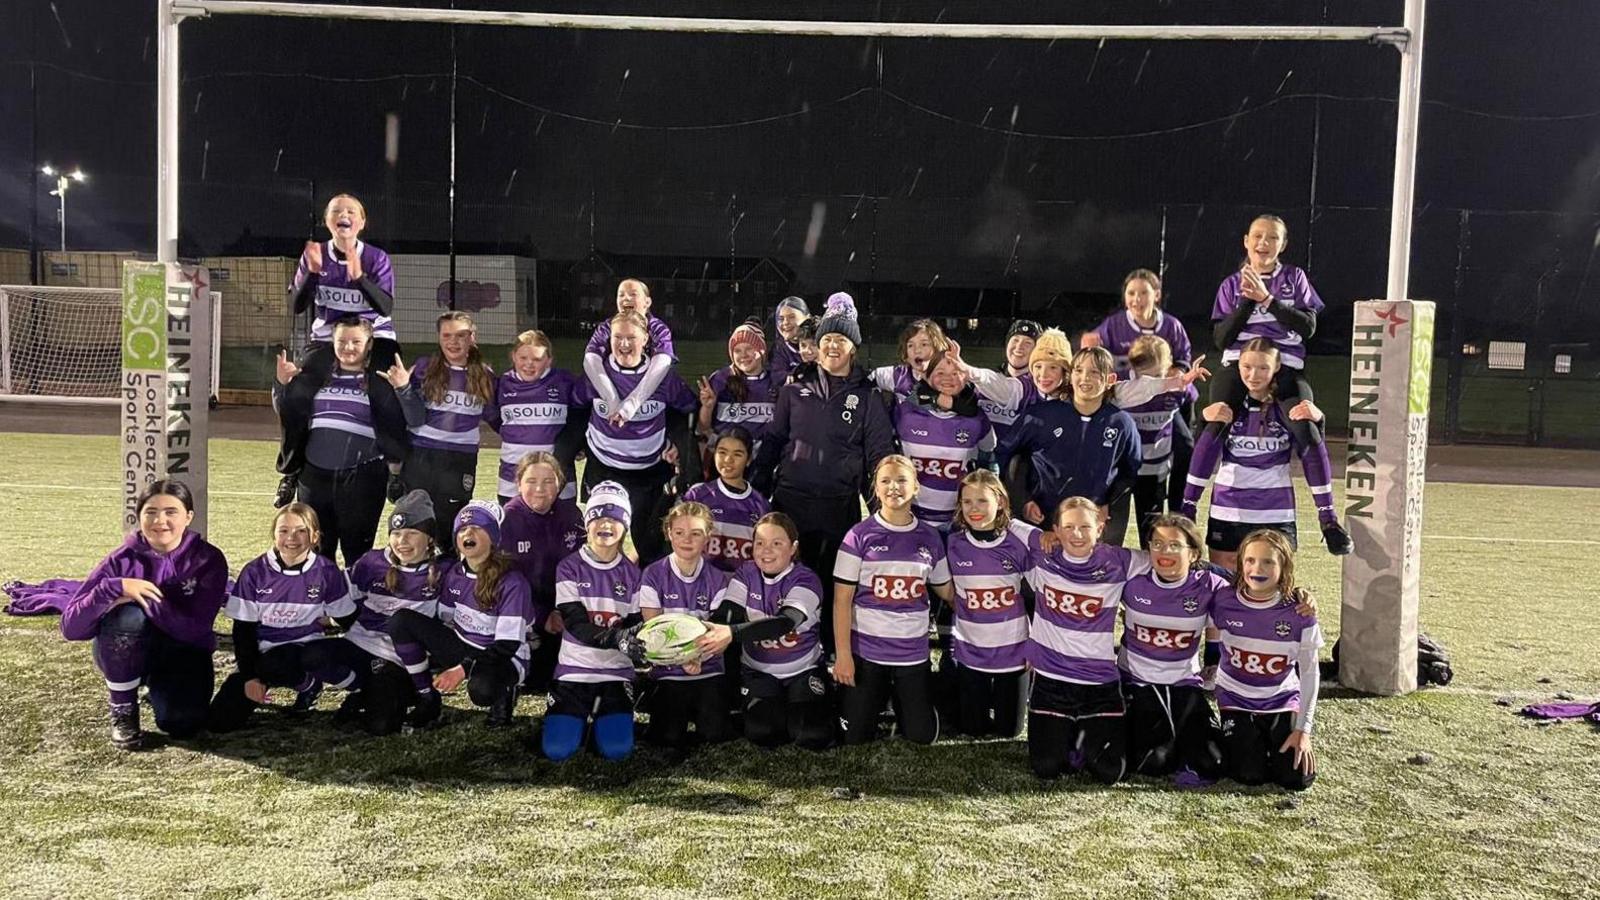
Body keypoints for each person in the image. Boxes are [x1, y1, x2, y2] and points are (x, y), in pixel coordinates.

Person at [752, 292, 896, 649]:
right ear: (816, 345)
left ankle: (831, 654)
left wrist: (881, 513)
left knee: (836, 584)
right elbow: (773, 442)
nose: (832, 346)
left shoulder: (867, 396)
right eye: (827, 339)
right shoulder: (794, 389)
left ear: (853, 347)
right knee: (787, 578)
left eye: (841, 339)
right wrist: (756, 492)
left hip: (838, 506)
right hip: (791, 502)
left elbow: (878, 457)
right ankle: (781, 650)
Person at [61, 480, 229, 750]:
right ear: (138, 516)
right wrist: (115, 588)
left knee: (183, 723)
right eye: (151, 512)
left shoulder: (208, 560)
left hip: (183, 650)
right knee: (127, 616)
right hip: (128, 649)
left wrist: (148, 599)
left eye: (171, 512)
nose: (160, 520)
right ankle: (123, 707)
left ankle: (158, 689)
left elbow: (195, 629)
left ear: (189, 517)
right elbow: (71, 628)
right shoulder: (121, 560)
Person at [1210, 214, 1340, 534]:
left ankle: (1329, 520)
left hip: (1284, 369)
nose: (1263, 243)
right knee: (1215, 419)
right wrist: (1247, 300)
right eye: (1257, 236)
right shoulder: (1231, 284)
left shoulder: (1294, 278)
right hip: (1239, 369)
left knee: (1304, 422)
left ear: (1282, 244)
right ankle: (1187, 508)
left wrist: (1267, 300)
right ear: (1246, 241)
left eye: (1272, 238)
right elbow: (1222, 339)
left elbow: (1308, 327)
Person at [275, 195, 401, 506]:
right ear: (328, 221)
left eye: (350, 211)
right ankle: (292, 469)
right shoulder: (316, 254)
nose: (343, 215)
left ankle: (395, 468)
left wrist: (359, 278)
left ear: (361, 221)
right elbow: (296, 305)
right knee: (298, 394)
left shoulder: (376, 258)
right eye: (336, 211)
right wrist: (312, 274)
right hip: (328, 339)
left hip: (374, 336)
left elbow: (385, 306)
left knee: (385, 394)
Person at [1180, 338, 1350, 568]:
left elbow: (1310, 450)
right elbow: (1204, 454)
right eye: (1247, 367)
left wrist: (1319, 420)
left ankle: (1329, 521)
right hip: (1229, 509)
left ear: (1277, 368)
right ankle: (1187, 507)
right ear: (1237, 365)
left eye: (1263, 368)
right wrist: (1203, 420)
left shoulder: (1286, 408)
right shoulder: (1228, 407)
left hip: (1276, 512)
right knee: (1225, 589)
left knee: (1273, 590)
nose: (1253, 375)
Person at [276, 316, 423, 566]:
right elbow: (285, 411)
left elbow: (416, 418)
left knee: (357, 552)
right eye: (341, 341)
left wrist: (404, 389)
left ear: (369, 344)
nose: (348, 347)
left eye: (356, 341)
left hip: (362, 479)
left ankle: (355, 603)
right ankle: (319, 600)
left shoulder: (383, 379)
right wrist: (281, 385)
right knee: (317, 550)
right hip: (315, 477)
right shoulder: (316, 376)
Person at [1024, 497, 1150, 783]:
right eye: (1068, 527)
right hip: (1051, 680)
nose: (1076, 534)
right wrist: (1042, 535)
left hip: (1098, 683)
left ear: (1100, 528)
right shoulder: (1043, 555)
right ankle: (1069, 734)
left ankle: (1087, 732)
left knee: (1109, 772)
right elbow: (1008, 524)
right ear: (1056, 529)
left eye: (1085, 526)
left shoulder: (1118, 561)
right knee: (1047, 767)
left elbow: (1162, 559)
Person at [832, 455, 954, 745]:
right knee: (854, 736)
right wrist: (844, 656)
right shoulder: (858, 536)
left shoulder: (930, 537)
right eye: (885, 481)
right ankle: (874, 697)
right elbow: (841, 601)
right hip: (867, 653)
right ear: (875, 488)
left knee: (922, 736)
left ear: (916, 487)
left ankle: (904, 701)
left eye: (902, 480)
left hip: (912, 654)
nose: (893, 487)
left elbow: (947, 591)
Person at [208, 504, 356, 732]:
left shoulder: (326, 572)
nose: (291, 538)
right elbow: (243, 631)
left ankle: (311, 681)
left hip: (305, 649)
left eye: (301, 531)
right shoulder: (255, 572)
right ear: (274, 534)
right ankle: (303, 683)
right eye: (284, 531)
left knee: (279, 660)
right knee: (220, 722)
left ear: (315, 535)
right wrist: (249, 677)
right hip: (260, 654)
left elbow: (348, 619)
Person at [387, 501, 533, 729]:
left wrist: (462, 668)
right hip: (465, 645)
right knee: (401, 621)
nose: (468, 533)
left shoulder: (512, 581)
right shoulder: (454, 573)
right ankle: (426, 695)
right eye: (462, 529)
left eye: (478, 527)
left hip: (503, 654)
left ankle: (504, 693)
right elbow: (446, 619)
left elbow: (507, 644)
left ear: (494, 537)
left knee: (481, 690)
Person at [695, 513, 833, 750]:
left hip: (802, 669)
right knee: (762, 731)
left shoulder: (806, 579)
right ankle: (775, 704)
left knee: (811, 735)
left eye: (776, 543)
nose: (766, 550)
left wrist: (731, 633)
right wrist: (698, 649)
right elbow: (728, 614)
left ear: (793, 548)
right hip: (758, 671)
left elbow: (784, 624)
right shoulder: (746, 573)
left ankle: (813, 700)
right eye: (760, 543)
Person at [573, 309, 699, 564]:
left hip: (648, 472)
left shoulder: (664, 380)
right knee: (603, 543)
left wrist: (676, 442)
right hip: (604, 471)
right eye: (618, 337)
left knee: (649, 547)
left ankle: (646, 599)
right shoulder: (594, 377)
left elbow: (687, 410)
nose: (624, 344)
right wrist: (579, 444)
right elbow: (575, 407)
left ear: (645, 340)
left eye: (632, 337)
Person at [314, 490, 443, 735]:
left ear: (429, 538)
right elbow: (341, 592)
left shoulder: (441, 571)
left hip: (400, 659)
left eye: (412, 533)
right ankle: (361, 689)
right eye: (396, 534)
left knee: (381, 726)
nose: (402, 542)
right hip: (360, 644)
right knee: (311, 656)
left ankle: (410, 692)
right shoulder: (373, 561)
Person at [1118, 514, 1229, 781]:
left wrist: (1297, 597)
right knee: (1152, 763)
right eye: (1157, 544)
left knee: (1213, 763)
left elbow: (1256, 590)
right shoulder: (1132, 579)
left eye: (1174, 545)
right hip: (1137, 681)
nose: (1164, 551)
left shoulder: (1210, 585)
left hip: (1183, 682)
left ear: (1193, 554)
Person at [1080, 269, 1197, 519]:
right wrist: (1089, 346)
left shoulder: (1171, 326)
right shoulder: (1115, 325)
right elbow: (1095, 354)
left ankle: (1179, 508)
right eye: (1131, 293)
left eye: (1143, 293)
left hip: (1164, 400)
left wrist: (1173, 376)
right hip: (1130, 401)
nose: (1137, 299)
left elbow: (1184, 358)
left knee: (1185, 445)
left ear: (1156, 295)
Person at [1210, 529, 1321, 791]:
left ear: (1284, 566)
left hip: (1281, 701)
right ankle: (1217, 731)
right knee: (1249, 774)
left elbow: (1309, 672)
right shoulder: (1223, 600)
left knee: (1297, 779)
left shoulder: (1299, 612)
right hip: (1235, 699)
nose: (1257, 568)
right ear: (1240, 563)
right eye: (1250, 560)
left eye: (1268, 561)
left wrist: (1304, 730)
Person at [544, 482, 645, 762]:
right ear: (587, 523)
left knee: (617, 750)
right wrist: (619, 638)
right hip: (573, 672)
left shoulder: (635, 575)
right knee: (557, 750)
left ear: (625, 526)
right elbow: (576, 625)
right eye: (598, 516)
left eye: (615, 518)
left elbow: (637, 624)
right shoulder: (568, 567)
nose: (606, 524)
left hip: (616, 672)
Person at [997, 345, 1142, 530]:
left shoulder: (1121, 423)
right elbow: (1008, 456)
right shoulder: (1040, 415)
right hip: (1042, 517)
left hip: (1090, 523)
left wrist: (1108, 503)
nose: (1085, 378)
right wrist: (1023, 501)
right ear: (1070, 376)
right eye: (1079, 370)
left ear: (1110, 380)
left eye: (1095, 372)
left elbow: (1129, 472)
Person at [942, 470, 1035, 738]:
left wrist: (1036, 644)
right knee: (973, 729)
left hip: (1013, 652)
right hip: (972, 652)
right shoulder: (953, 543)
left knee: (1010, 732)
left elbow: (1042, 595)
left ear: (1001, 503)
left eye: (983, 501)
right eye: (967, 501)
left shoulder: (1017, 543)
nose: (975, 509)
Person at [636, 501, 732, 750]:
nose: (686, 540)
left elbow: (717, 632)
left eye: (695, 533)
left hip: (708, 666)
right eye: (679, 533)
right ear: (668, 533)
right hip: (668, 669)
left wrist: (697, 657)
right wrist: (682, 658)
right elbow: (652, 633)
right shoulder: (653, 574)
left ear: (708, 536)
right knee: (667, 737)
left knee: (714, 734)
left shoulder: (718, 579)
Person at [1103, 335, 1207, 548]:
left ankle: (1151, 574)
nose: (1153, 383)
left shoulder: (1178, 389)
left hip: (1154, 470)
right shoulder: (1121, 386)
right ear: (1134, 366)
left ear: (1168, 366)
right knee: (1111, 531)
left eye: (1158, 375)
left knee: (1150, 531)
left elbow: (1187, 420)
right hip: (1121, 471)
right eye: (1147, 377)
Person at [402, 312, 498, 541]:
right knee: (416, 519)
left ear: (472, 338)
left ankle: (448, 572)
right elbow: (409, 411)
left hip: (460, 457)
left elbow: (495, 417)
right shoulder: (425, 367)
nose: (453, 342)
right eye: (447, 335)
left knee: (450, 523)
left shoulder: (485, 375)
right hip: (422, 454)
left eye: (461, 335)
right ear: (439, 338)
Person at [498, 451, 586, 692]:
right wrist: (540, 615)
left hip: (563, 606)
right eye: (531, 481)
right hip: (525, 610)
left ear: (559, 484)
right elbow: (504, 584)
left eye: (548, 481)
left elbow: (582, 569)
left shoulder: (571, 515)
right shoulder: (507, 520)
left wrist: (561, 610)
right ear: (518, 484)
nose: (540, 489)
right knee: (537, 678)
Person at [893, 349, 995, 528]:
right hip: (910, 516)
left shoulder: (977, 420)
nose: (948, 378)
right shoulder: (905, 412)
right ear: (927, 377)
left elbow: (989, 458)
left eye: (956, 373)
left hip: (957, 521)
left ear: (966, 377)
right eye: (940, 372)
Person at [486, 330, 580, 504]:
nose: (529, 364)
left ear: (549, 361)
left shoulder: (564, 382)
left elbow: (582, 414)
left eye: (537, 359)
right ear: (513, 356)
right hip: (511, 477)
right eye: (523, 358)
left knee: (560, 530)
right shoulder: (502, 384)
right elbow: (494, 418)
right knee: (515, 530)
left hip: (558, 477)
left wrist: (577, 445)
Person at [583, 278, 677, 427]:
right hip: (615, 391)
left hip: (654, 400)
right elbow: (590, 359)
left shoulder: (658, 329)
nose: (626, 298)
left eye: (633, 294)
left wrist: (632, 403)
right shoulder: (607, 327)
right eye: (621, 295)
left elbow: (662, 364)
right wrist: (612, 399)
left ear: (647, 302)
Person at [683, 426, 771, 573]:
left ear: (748, 459)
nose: (728, 460)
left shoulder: (760, 505)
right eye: (722, 452)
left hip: (741, 588)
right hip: (700, 585)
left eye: (737, 454)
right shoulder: (698, 495)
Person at [697, 320, 780, 459]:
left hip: (763, 458)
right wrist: (707, 407)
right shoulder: (720, 379)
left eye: (749, 349)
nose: (743, 355)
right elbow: (702, 428)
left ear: (762, 351)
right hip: (725, 457)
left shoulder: (775, 381)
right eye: (737, 350)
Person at [976, 319, 1043, 448]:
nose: (1019, 347)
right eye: (1015, 340)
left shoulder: (1039, 389)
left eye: (1028, 343)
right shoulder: (986, 383)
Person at [871, 318, 949, 400]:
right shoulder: (897, 376)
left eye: (924, 344)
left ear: (937, 348)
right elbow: (865, 382)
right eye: (910, 345)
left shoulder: (953, 379)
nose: (917, 350)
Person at [770, 295, 811, 377]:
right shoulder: (778, 350)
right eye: (781, 319)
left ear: (807, 317)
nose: (785, 323)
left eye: (792, 317)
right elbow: (778, 379)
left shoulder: (821, 343)